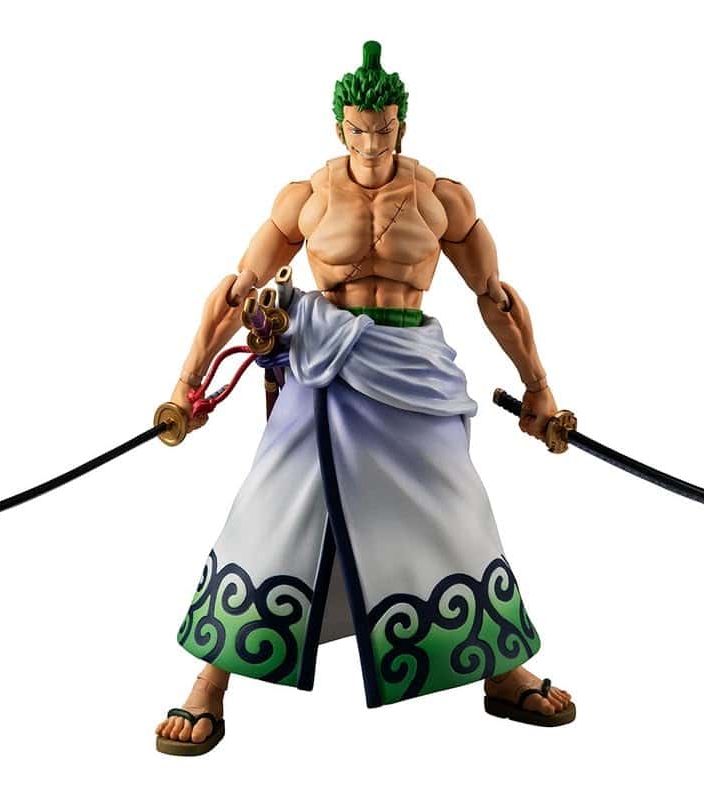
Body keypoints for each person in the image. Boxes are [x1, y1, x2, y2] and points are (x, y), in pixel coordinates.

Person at [155, 41, 574, 756]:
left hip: (412, 368)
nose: (373, 144)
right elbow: (236, 290)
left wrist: (538, 387)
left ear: (401, 124)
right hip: (324, 365)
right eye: (359, 130)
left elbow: (494, 296)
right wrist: (186, 385)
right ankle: (211, 678)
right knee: (274, 506)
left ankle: (501, 671)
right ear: (339, 127)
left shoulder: (442, 198)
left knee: (455, 507)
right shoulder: (306, 198)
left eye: (384, 129)